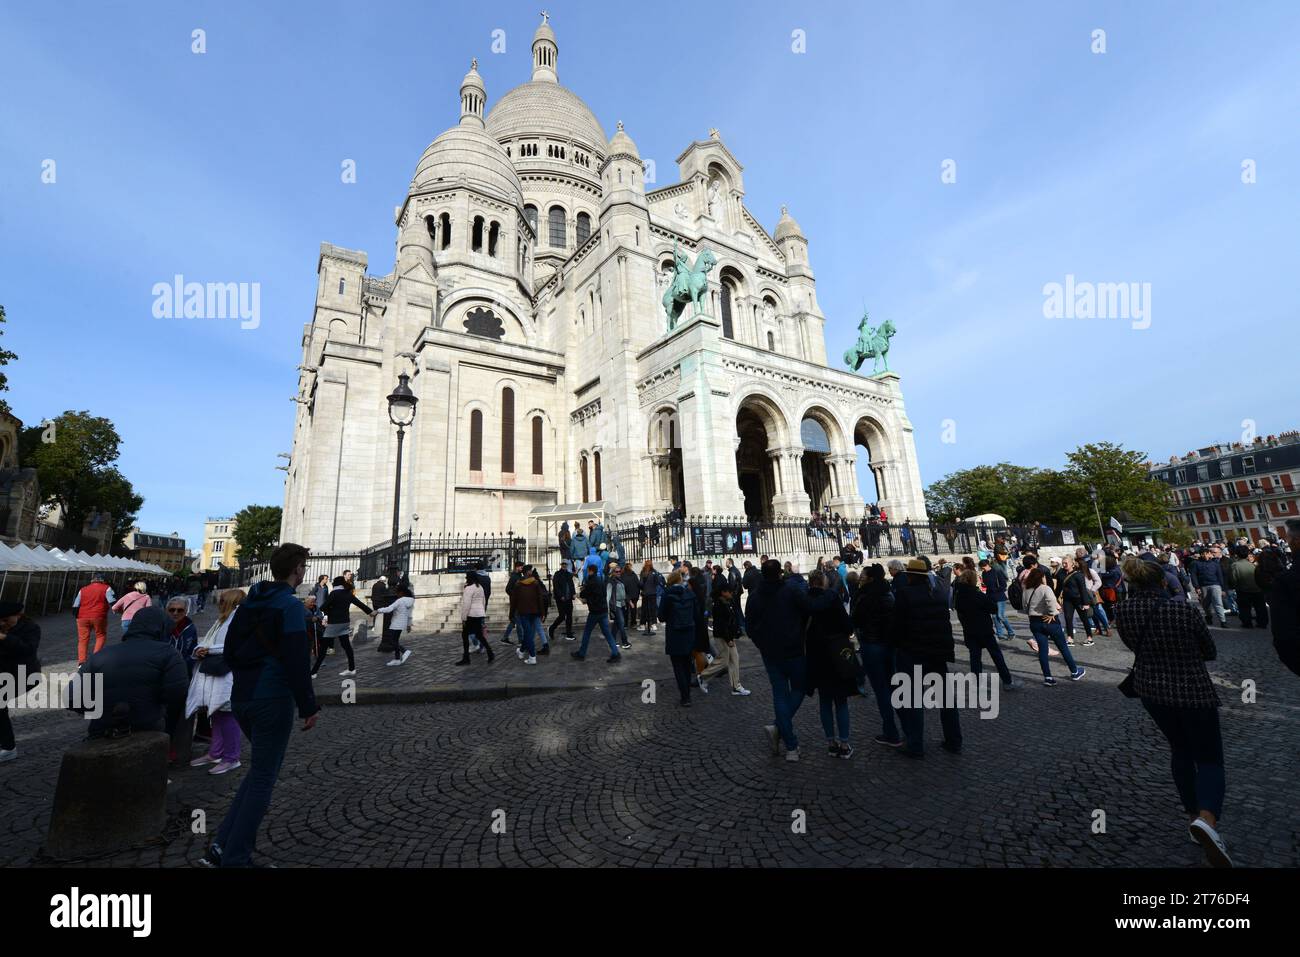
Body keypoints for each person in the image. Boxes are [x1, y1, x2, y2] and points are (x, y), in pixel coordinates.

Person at [202, 543, 320, 869]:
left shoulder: (248, 604)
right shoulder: (290, 607)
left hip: (242, 697)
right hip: (272, 699)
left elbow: (230, 653)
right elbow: (298, 662)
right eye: (303, 566)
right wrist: (308, 706)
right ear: (298, 569)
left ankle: (220, 847)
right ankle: (236, 859)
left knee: (258, 773)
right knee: (264, 779)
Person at [1116, 556, 1231, 868]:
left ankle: (1193, 816)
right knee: (1209, 758)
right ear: (1163, 582)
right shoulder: (1181, 609)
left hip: (1152, 690)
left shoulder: (1123, 609)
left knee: (1180, 751)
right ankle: (1207, 819)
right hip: (1191, 689)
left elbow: (1131, 645)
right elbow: (1209, 650)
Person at [745, 559, 838, 762]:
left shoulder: (754, 597)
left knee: (779, 694)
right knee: (799, 688)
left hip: (770, 653)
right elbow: (813, 606)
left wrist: (761, 643)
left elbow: (749, 627)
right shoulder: (791, 591)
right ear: (780, 573)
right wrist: (832, 591)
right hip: (794, 651)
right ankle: (785, 735)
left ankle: (790, 744)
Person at [888, 558, 962, 757]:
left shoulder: (905, 594)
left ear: (910, 576)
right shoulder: (938, 592)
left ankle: (915, 745)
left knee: (912, 700)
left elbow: (897, 625)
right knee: (946, 699)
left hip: (913, 652)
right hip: (938, 651)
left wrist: (897, 643)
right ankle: (954, 740)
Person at [186, 588, 246, 775]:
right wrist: (199, 649)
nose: (219, 602)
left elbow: (234, 646)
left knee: (227, 715)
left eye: (222, 599)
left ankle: (231, 757)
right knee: (217, 714)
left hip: (228, 673)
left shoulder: (238, 619)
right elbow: (211, 641)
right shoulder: (223, 620)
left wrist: (208, 650)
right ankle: (216, 752)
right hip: (217, 670)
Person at [803, 570, 858, 758]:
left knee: (824, 700)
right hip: (835, 652)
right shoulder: (831, 598)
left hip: (815, 654)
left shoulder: (803, 600)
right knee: (840, 701)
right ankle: (844, 743)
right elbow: (846, 624)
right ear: (823, 581)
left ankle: (831, 742)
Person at [851, 564, 902, 748]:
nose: (861, 578)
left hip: (872, 644)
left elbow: (855, 620)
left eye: (863, 575)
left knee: (881, 690)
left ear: (870, 578)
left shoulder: (864, 596)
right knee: (895, 687)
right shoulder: (888, 594)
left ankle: (891, 732)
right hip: (890, 644)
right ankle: (909, 730)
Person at [953, 568, 1018, 691]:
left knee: (975, 659)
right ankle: (1007, 681)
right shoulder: (977, 595)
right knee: (997, 656)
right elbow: (993, 608)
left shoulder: (959, 595)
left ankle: (976, 685)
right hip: (984, 630)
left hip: (969, 630)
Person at [1022, 567, 1086, 686]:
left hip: (1034, 621)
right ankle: (1074, 672)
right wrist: (1052, 613)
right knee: (1063, 647)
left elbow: (1025, 608)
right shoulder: (1045, 588)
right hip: (1049, 621)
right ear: (1042, 577)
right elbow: (1051, 602)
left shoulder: (1026, 589)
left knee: (1042, 649)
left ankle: (1048, 677)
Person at [0, 601, 40, 763]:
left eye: (5, 620)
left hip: (25, 675)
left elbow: (28, 650)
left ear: (17, 616)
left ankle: (9, 748)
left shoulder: (31, 628)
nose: (2, 623)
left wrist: (5, 638)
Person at [698, 581, 749, 695]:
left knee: (734, 659)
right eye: (729, 591)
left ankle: (736, 686)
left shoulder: (727, 602)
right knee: (724, 661)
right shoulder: (720, 605)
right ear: (723, 593)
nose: (732, 593)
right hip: (723, 636)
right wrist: (728, 639)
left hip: (727, 635)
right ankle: (703, 676)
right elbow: (722, 624)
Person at [317, 576, 373, 678]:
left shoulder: (334, 593)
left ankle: (313, 672)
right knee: (347, 646)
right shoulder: (348, 593)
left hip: (334, 623)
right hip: (345, 622)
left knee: (323, 647)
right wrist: (370, 612)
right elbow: (360, 604)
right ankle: (352, 669)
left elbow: (323, 607)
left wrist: (330, 610)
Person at [658, 569, 698, 706]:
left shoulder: (667, 594)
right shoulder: (690, 593)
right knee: (687, 665)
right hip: (689, 632)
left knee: (678, 666)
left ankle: (685, 696)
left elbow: (661, 616)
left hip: (674, 633)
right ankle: (687, 694)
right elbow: (696, 614)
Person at [573, 562, 620, 662]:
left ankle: (582, 653)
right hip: (602, 610)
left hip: (595, 611)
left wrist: (583, 593)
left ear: (590, 571)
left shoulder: (590, 582)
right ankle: (615, 652)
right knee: (607, 633)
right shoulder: (600, 580)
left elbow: (583, 594)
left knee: (587, 633)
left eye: (588, 571)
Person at [73, 573, 115, 665]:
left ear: (92, 580)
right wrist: (117, 610)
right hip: (99, 616)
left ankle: (82, 661)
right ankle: (95, 659)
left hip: (82, 617)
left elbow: (75, 605)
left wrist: (77, 617)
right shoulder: (106, 588)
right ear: (103, 580)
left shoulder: (82, 589)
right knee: (100, 635)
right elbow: (112, 601)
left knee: (83, 639)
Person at [510, 565, 547, 665]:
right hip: (534, 612)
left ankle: (532, 656)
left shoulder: (518, 585)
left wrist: (511, 614)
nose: (531, 572)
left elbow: (514, 601)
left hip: (524, 612)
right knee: (528, 633)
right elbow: (540, 598)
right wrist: (542, 612)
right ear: (528, 572)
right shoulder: (535, 583)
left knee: (528, 634)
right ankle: (522, 651)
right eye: (530, 570)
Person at [373, 583, 415, 667]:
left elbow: (389, 609)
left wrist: (378, 610)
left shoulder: (400, 600)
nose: (396, 594)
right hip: (402, 623)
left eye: (397, 592)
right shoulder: (411, 600)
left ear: (402, 592)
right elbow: (410, 614)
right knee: (395, 641)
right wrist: (409, 624)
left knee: (392, 641)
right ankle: (397, 659)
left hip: (396, 623)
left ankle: (404, 651)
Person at [458, 571, 494, 665]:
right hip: (479, 614)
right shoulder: (480, 587)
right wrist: (482, 612)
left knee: (465, 635)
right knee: (479, 635)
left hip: (471, 614)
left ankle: (466, 658)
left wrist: (463, 617)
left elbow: (466, 604)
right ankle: (490, 653)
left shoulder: (468, 588)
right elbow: (483, 601)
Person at [1189, 548, 1228, 628]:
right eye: (1203, 554)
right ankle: (1208, 615)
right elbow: (1194, 576)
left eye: (1207, 553)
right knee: (1206, 604)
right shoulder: (1195, 563)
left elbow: (1220, 576)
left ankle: (1223, 621)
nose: (1206, 555)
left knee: (1218, 603)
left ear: (1210, 554)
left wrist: (1223, 589)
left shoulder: (1215, 564)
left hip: (1215, 585)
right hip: (1203, 586)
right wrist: (1196, 587)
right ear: (1201, 554)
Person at [980, 558, 1015, 641]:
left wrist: (996, 590)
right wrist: (983, 584)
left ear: (987, 565)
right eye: (981, 567)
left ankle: (1011, 632)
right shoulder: (984, 573)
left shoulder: (996, 572)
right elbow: (987, 585)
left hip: (999, 597)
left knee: (1000, 615)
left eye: (983, 566)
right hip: (990, 597)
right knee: (995, 617)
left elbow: (1003, 585)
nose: (983, 568)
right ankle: (1000, 634)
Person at [165, 597, 200, 679]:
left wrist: (196, 654)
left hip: (184, 673)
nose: (175, 613)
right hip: (163, 673)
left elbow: (192, 650)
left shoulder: (191, 628)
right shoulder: (160, 627)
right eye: (172, 610)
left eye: (180, 610)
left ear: (185, 612)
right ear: (166, 611)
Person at [549, 561, 576, 643]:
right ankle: (552, 628)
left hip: (568, 598)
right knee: (562, 616)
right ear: (561, 565)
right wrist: (561, 596)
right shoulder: (557, 574)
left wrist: (573, 593)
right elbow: (556, 586)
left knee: (569, 616)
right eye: (563, 564)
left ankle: (569, 633)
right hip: (561, 599)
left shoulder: (568, 574)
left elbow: (571, 584)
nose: (564, 566)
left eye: (565, 564)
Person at [638, 559, 662, 634]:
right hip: (653, 593)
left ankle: (643, 624)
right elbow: (657, 582)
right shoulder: (654, 572)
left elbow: (641, 584)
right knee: (653, 608)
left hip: (645, 593)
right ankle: (653, 624)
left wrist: (643, 587)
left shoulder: (643, 572)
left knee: (644, 609)